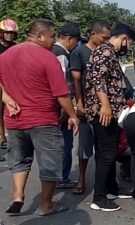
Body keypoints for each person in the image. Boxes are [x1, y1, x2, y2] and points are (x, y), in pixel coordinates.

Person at [1, 19, 79, 216]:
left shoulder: (6, 55)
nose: (54, 40)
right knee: (50, 163)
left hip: (14, 119)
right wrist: (72, 115)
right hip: (42, 119)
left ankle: (18, 196)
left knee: (19, 160)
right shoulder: (47, 57)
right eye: (52, 36)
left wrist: (7, 98)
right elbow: (61, 93)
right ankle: (47, 205)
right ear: (39, 36)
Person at [85, 22, 135, 212]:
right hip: (103, 113)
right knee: (107, 154)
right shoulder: (105, 52)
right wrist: (105, 106)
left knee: (108, 151)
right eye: (130, 43)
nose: (129, 47)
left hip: (112, 112)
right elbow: (98, 81)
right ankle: (99, 198)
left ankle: (111, 189)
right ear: (124, 39)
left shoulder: (110, 53)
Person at [70, 21, 112, 195]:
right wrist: (79, 103)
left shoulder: (107, 52)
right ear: (93, 34)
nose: (106, 41)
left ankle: (104, 182)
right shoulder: (80, 53)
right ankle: (81, 179)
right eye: (104, 38)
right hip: (87, 106)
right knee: (85, 146)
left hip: (104, 108)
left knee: (104, 146)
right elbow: (76, 80)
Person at [52, 23, 81, 189]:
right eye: (76, 42)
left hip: (49, 106)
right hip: (60, 107)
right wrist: (67, 109)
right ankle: (62, 177)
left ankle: (54, 176)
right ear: (70, 39)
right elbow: (61, 84)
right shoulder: (61, 54)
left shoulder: (48, 51)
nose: (76, 46)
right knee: (65, 143)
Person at [0, 19, 19, 150]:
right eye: (7, 33)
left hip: (11, 81)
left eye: (12, 33)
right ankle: (2, 138)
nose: (10, 35)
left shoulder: (16, 47)